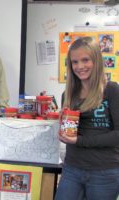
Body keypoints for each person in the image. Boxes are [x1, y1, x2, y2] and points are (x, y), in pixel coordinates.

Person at [55, 37, 119, 200]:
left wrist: (79, 141)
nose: (80, 66)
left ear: (96, 61)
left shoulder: (111, 90)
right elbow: (70, 134)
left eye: (85, 60)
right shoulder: (67, 95)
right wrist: (62, 131)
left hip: (104, 171)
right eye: (75, 62)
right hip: (72, 168)